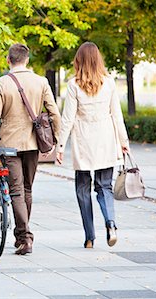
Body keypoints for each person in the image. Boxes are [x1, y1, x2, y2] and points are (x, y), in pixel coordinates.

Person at [0, 43, 61, 255]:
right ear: (27, 60)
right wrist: (56, 140)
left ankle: (25, 238)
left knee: (17, 190)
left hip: (9, 145)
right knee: (27, 189)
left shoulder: (1, 83)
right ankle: (22, 237)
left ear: (8, 60)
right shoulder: (41, 81)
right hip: (33, 144)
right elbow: (54, 113)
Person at [56, 42, 129, 249]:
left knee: (82, 190)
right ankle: (111, 223)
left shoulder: (73, 85)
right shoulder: (109, 83)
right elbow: (117, 115)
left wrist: (60, 146)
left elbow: (68, 118)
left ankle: (89, 237)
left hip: (83, 143)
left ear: (78, 60)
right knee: (104, 186)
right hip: (106, 140)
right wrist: (124, 142)